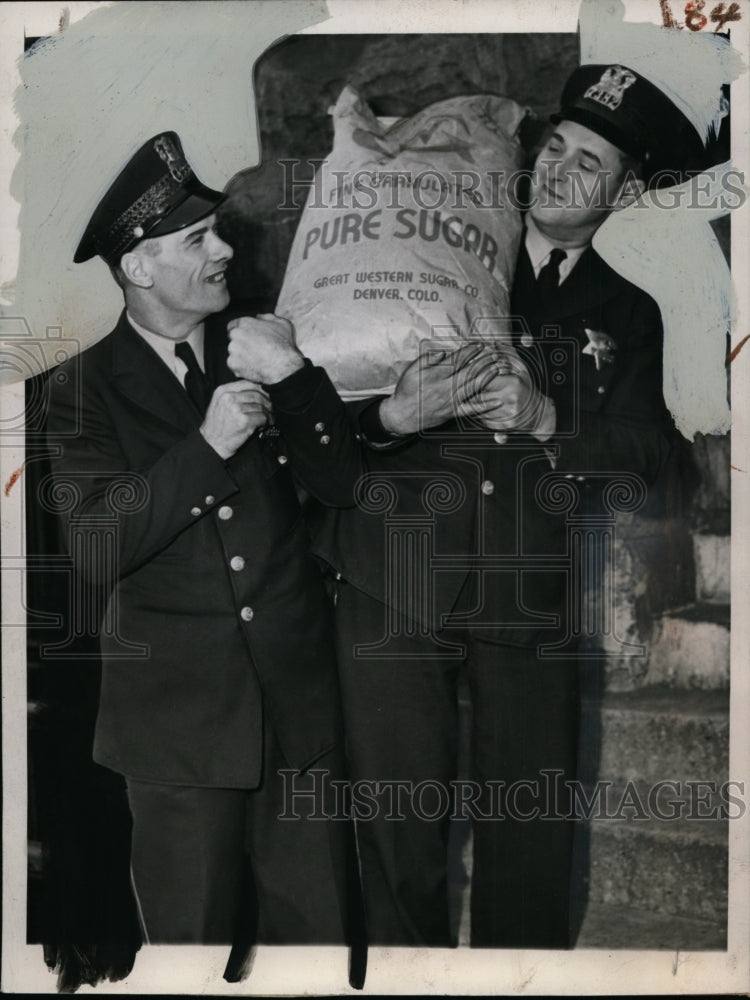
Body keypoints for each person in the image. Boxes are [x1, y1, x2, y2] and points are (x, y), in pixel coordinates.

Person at [229, 63, 708, 950]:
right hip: (392, 576)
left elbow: (652, 462)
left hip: (529, 594)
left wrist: (550, 418)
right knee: (397, 839)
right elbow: (313, 408)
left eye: (589, 164)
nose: (559, 172)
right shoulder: (434, 244)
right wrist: (387, 416)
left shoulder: (632, 311)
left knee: (529, 844)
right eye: (554, 147)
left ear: (626, 192)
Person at [46, 132, 366, 972]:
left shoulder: (255, 344)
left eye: (217, 230)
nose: (226, 249)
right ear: (140, 269)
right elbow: (94, 546)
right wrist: (208, 446)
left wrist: (295, 376)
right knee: (189, 958)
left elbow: (342, 484)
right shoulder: (82, 388)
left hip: (297, 715)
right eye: (198, 239)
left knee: (321, 957)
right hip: (179, 737)